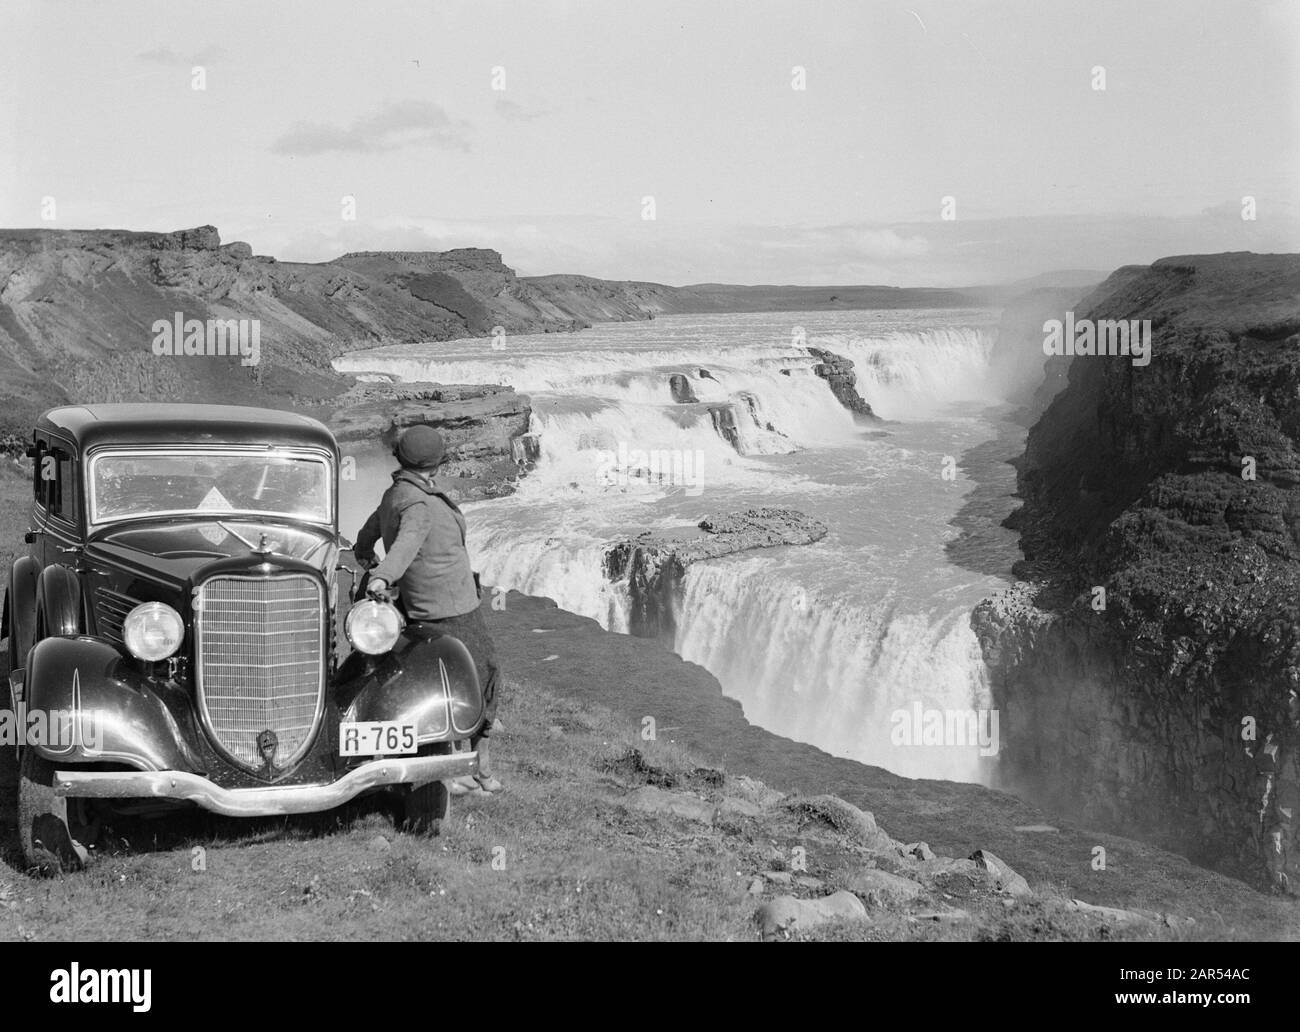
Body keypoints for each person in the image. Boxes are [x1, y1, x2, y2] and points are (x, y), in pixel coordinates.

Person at [354, 424, 503, 795]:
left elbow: (368, 533)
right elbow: (407, 543)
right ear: (436, 463)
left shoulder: (397, 493)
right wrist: (382, 576)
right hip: (449, 607)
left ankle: (454, 770)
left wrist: (365, 556)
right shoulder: (418, 503)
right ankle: (478, 769)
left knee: (444, 679)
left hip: (423, 604)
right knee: (484, 675)